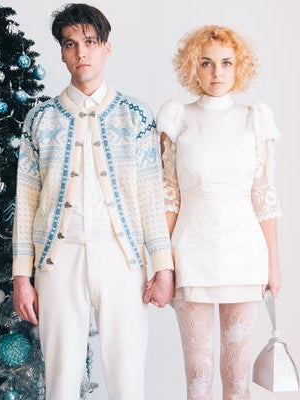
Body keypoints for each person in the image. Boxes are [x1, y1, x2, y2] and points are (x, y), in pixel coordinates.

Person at [12, 4, 174, 399]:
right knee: (61, 378)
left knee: (127, 376)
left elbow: (151, 194)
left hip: (122, 258)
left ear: (106, 48)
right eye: (70, 45)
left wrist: (163, 267)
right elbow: (26, 200)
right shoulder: (40, 119)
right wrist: (21, 275)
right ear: (62, 53)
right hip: (58, 258)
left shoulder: (135, 116)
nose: (80, 52)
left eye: (89, 42)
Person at [150, 25, 282, 399]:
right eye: (207, 63)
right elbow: (169, 197)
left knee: (237, 377)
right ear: (194, 67)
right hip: (191, 253)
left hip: (245, 254)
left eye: (226, 63)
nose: (217, 72)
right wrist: (162, 264)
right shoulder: (178, 117)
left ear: (239, 66)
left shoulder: (254, 118)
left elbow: (264, 196)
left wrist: (274, 265)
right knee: (198, 374)